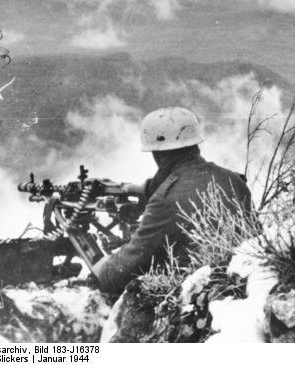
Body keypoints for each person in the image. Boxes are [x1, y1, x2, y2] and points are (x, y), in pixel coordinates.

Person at [94, 107, 252, 294]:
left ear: (158, 154)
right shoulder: (233, 180)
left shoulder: (165, 200)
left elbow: (116, 276)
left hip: (193, 293)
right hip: (243, 283)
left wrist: (99, 264)